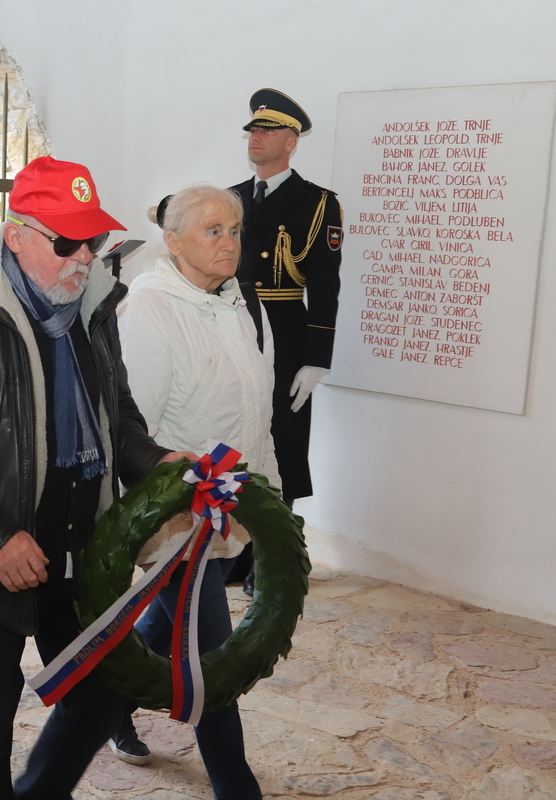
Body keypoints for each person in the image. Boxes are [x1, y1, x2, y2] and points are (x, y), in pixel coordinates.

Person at [0, 156, 190, 799]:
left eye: (94, 240)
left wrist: (160, 465)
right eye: (66, 242)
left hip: (80, 548)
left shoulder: (94, 308)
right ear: (17, 236)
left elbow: (118, 420)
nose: (83, 257)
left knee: (101, 695)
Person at [109, 186, 278, 798]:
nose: (229, 242)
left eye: (234, 230)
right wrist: (160, 509)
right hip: (179, 514)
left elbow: (255, 412)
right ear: (173, 241)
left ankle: (106, 706)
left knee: (165, 624)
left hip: (231, 504)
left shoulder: (237, 304)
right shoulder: (150, 310)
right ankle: (234, 780)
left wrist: (266, 491)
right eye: (212, 230)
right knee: (210, 648)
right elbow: (132, 427)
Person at [230, 88, 342, 594]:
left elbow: (325, 285)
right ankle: (237, 548)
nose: (255, 138)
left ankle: (275, 555)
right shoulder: (231, 197)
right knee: (237, 431)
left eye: (266, 130)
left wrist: (316, 358)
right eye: (252, 130)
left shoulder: (317, 202)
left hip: (286, 328)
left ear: (291, 141)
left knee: (283, 436)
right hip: (235, 323)